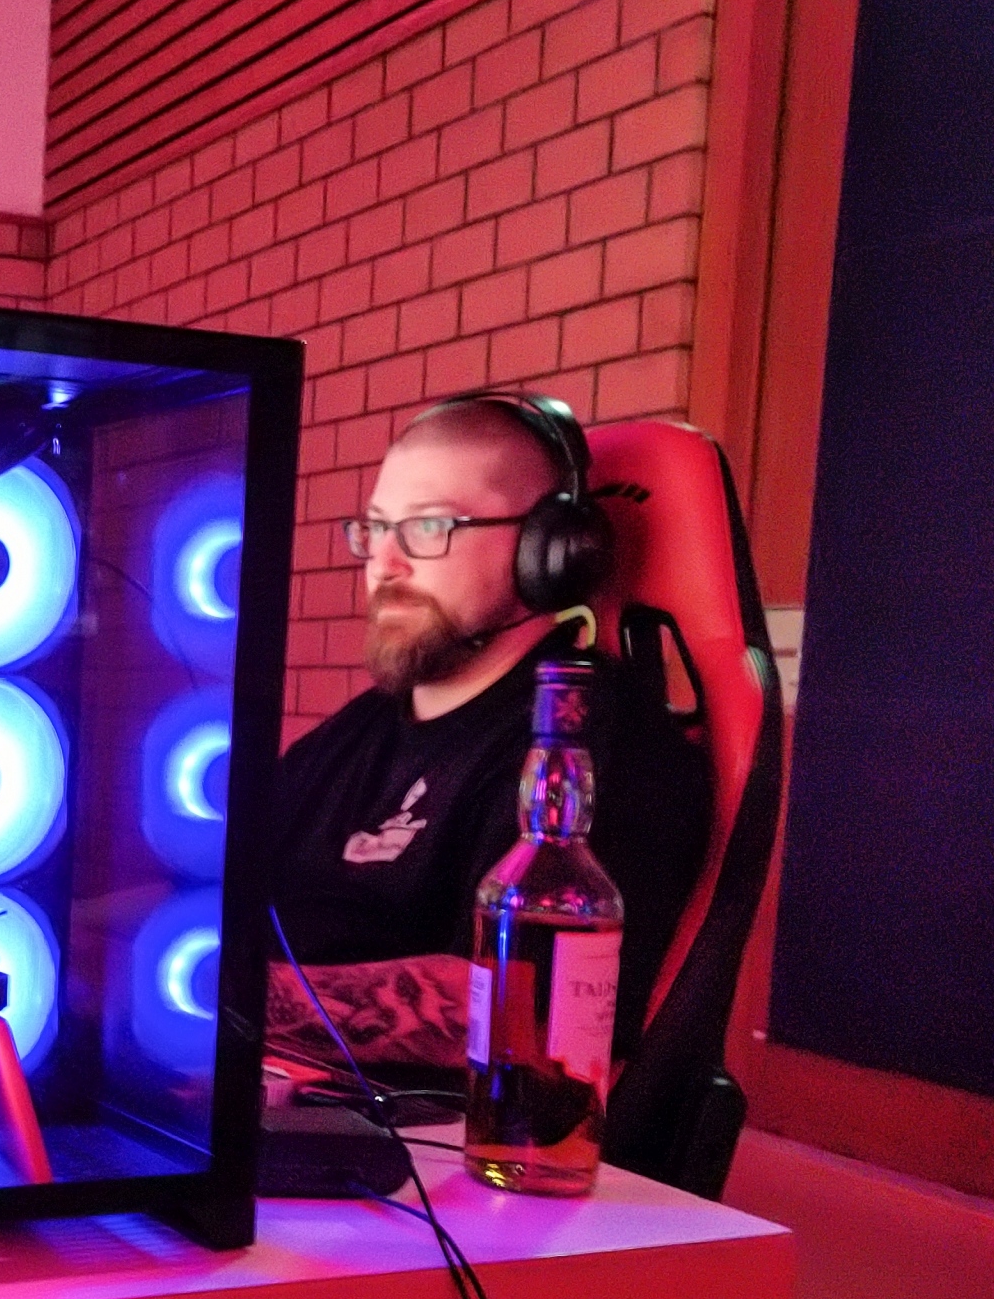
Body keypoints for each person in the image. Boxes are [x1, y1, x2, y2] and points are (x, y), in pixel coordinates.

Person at [263, 392, 713, 1082]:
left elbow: (514, 1005)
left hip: (429, 1134)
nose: (384, 563)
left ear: (549, 553)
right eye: (375, 528)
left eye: (429, 525)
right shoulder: (350, 738)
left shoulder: (585, 750)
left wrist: (214, 996)